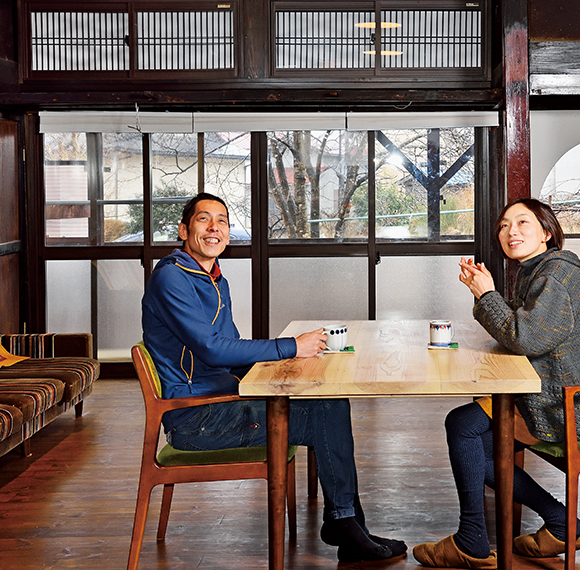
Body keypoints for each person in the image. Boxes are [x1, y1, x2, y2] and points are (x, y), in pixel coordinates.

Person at [141, 192, 406, 563]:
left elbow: (229, 349)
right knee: (325, 412)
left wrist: (287, 368)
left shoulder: (213, 278)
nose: (215, 228)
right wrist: (288, 348)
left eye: (223, 220)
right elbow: (214, 350)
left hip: (222, 400)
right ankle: (345, 525)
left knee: (325, 399)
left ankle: (348, 522)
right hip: (198, 419)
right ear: (184, 229)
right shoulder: (172, 278)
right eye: (204, 220)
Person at [413, 198, 580, 569]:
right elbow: (517, 330)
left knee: (463, 427)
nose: (511, 232)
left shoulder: (556, 273)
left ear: (547, 232)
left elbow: (525, 338)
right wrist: (486, 293)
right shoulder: (535, 269)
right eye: (505, 225)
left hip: (571, 404)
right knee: (470, 433)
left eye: (523, 223)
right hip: (549, 391)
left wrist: (486, 294)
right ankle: (560, 522)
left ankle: (472, 540)